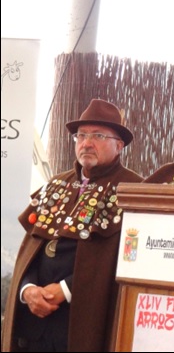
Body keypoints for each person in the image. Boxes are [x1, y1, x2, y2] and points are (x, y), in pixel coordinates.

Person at [1, 99, 143, 352]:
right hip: (33, 327)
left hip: (83, 326)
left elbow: (128, 262)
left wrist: (65, 289)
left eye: (98, 136)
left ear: (119, 145)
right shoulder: (56, 184)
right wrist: (28, 289)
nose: (87, 143)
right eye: (81, 135)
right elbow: (30, 251)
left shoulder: (135, 191)